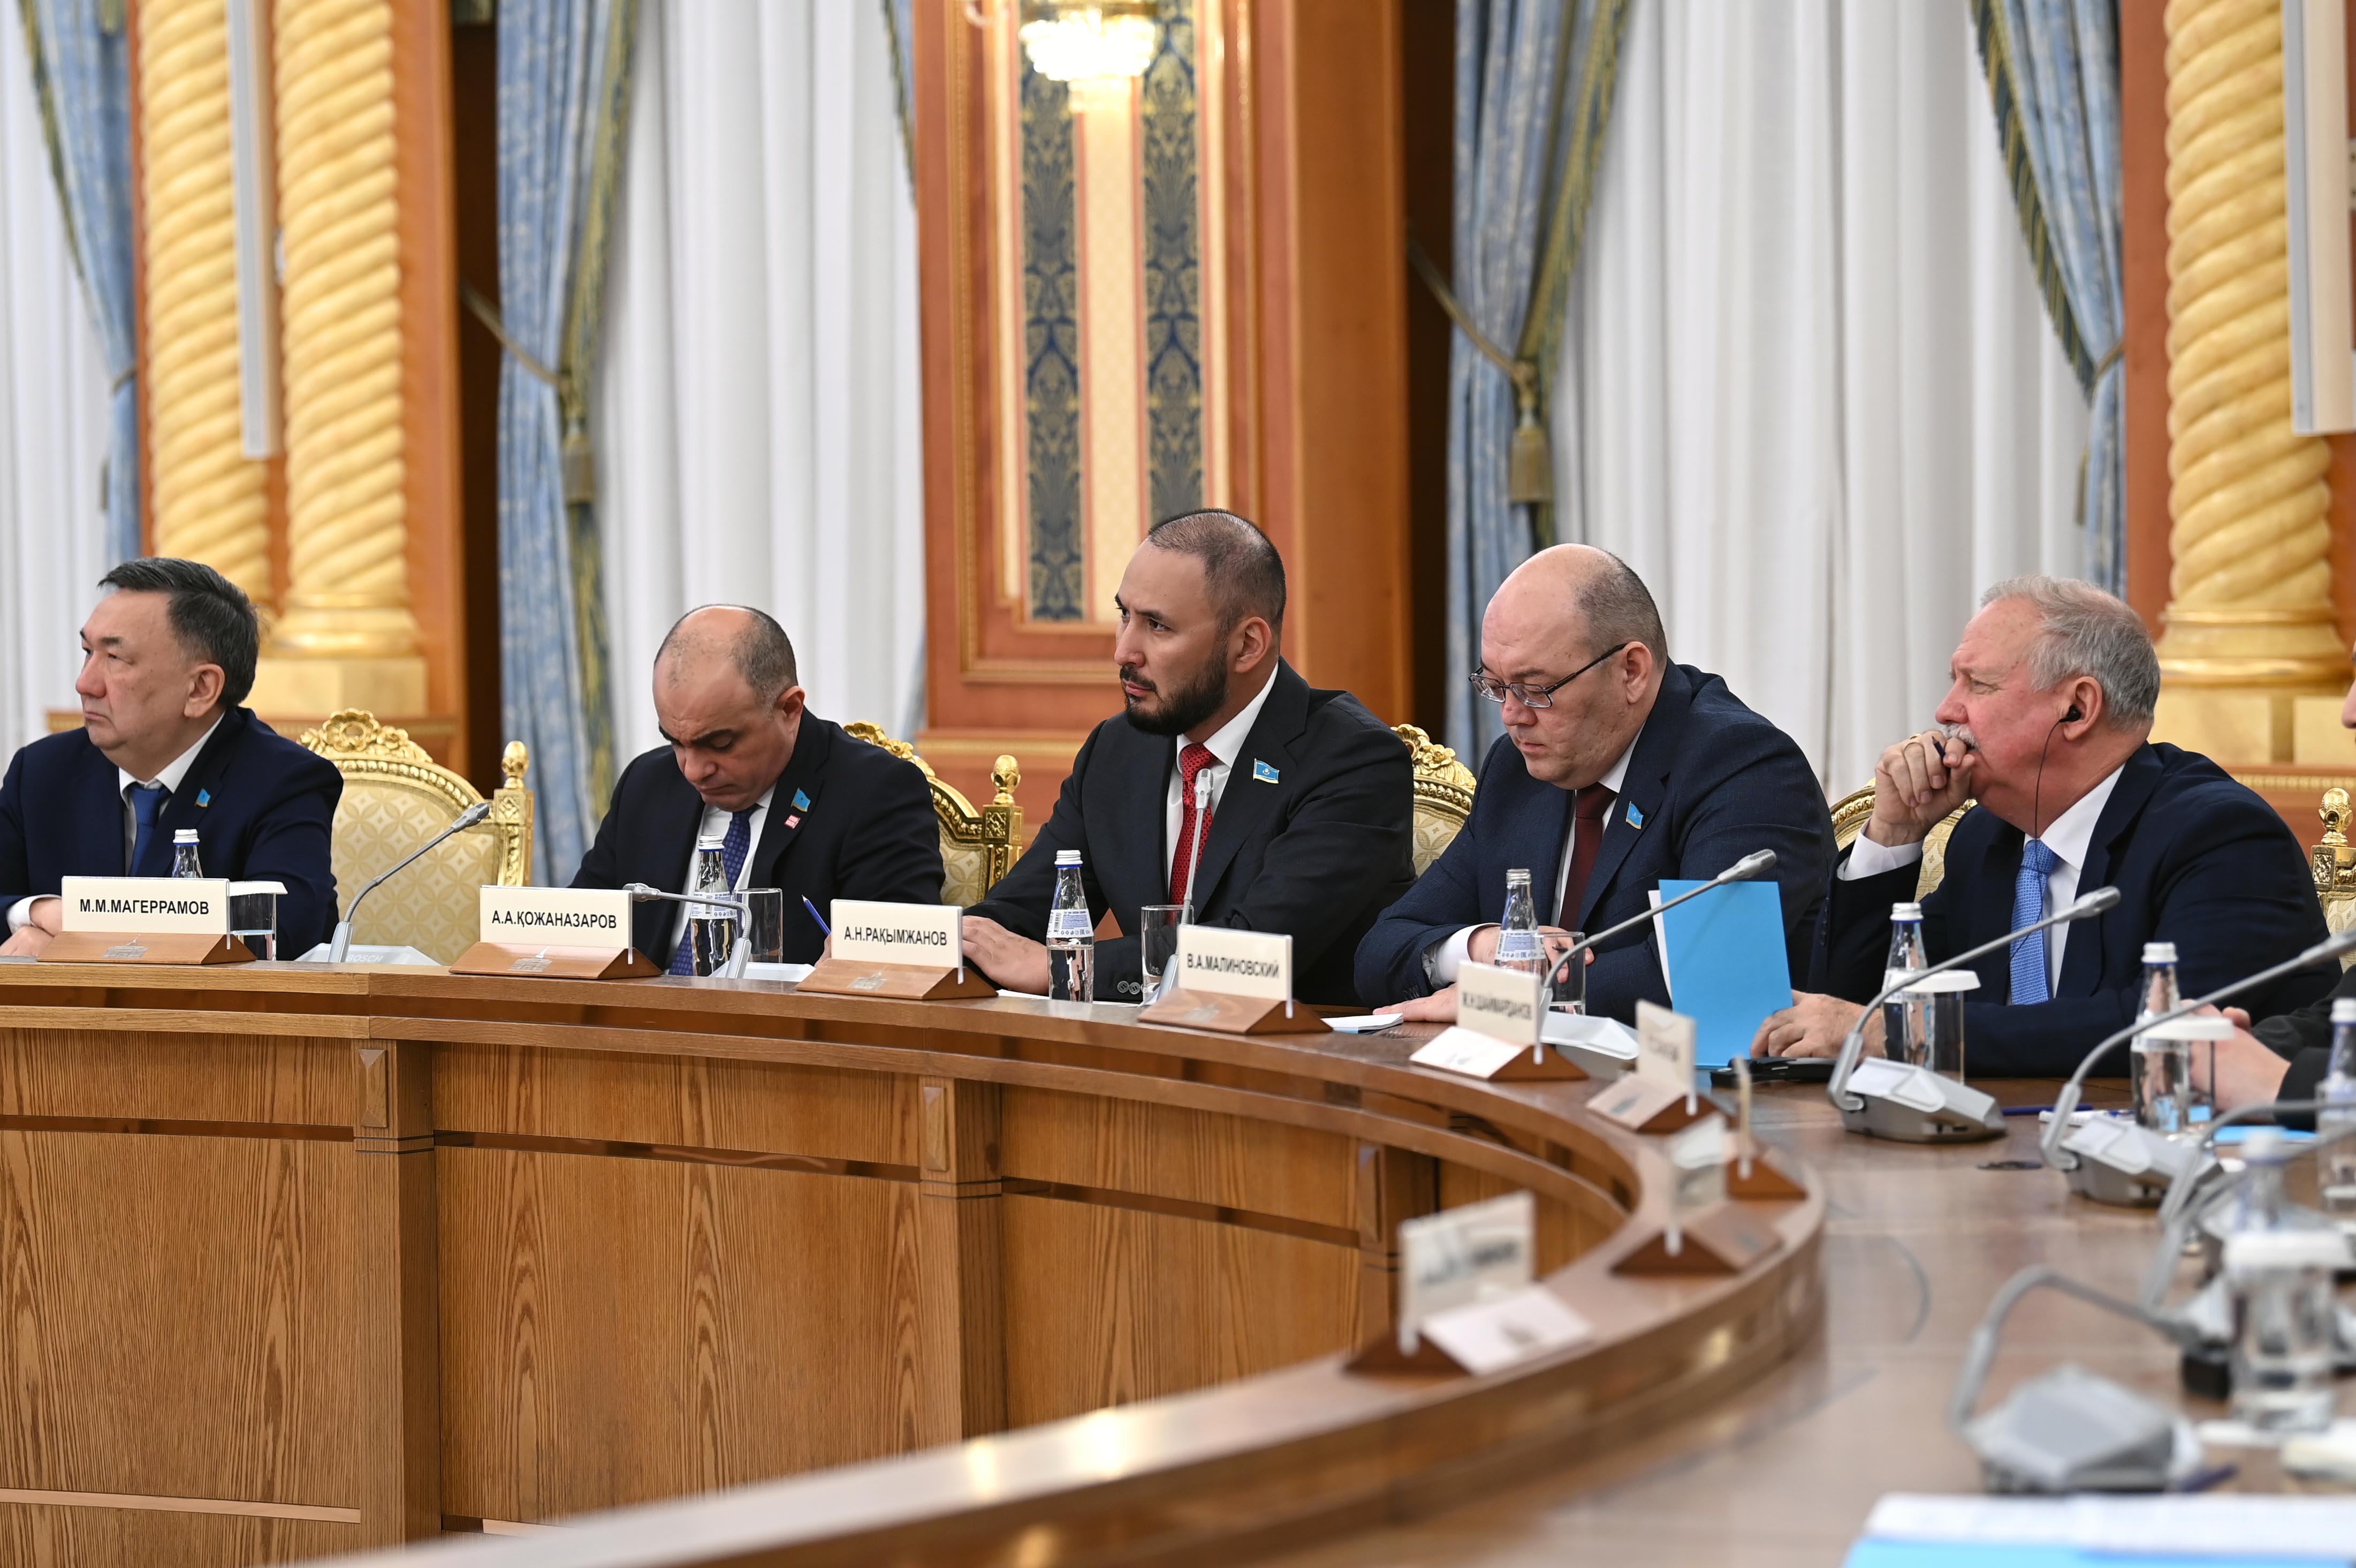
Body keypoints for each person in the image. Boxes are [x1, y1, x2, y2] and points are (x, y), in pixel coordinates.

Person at [1762, 576, 2331, 1076]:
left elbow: (2159, 1026)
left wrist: (1907, 1033)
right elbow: (1847, 1009)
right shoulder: (1986, 838)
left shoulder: (2220, 835)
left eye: (1977, 685)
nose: (1945, 711)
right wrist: (1893, 835)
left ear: (2077, 709)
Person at [1355, 545, 1835, 1022]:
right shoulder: (1516, 771)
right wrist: (1482, 946)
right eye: (1496, 686)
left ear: (1632, 671)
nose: (1512, 716)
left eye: (1535, 689)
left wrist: (1501, 999)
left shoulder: (1741, 765)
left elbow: (1703, 973)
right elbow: (1382, 950)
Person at [962, 510, 1413, 1004]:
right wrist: (949, 951)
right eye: (1124, 616)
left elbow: (1255, 954)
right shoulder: (1117, 750)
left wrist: (1067, 968)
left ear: (1247, 645)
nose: (1124, 652)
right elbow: (1017, 917)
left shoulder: (1353, 761)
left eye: (1157, 626)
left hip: (1298, 1048)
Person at [0, 558, 343, 957]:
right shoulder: (43, 771)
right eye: (88, 652)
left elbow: (277, 935)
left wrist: (80, 937)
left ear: (200, 688)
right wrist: (35, 911)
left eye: (115, 659)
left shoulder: (284, 782)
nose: (85, 684)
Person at [573, 606, 943, 969]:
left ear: (790, 710)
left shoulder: (873, 793)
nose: (694, 771)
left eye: (720, 744)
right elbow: (574, 936)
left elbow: (899, 961)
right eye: (676, 742)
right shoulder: (647, 784)